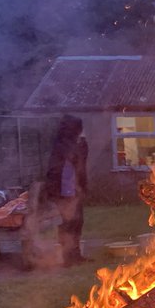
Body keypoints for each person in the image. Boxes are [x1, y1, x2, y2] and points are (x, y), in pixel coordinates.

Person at [45, 114, 89, 266]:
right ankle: (67, 257)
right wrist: (81, 146)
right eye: (79, 128)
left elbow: (82, 163)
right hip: (63, 191)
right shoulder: (62, 144)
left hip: (74, 190)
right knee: (67, 223)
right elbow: (74, 159)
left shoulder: (74, 143)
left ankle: (76, 254)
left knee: (77, 222)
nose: (81, 131)